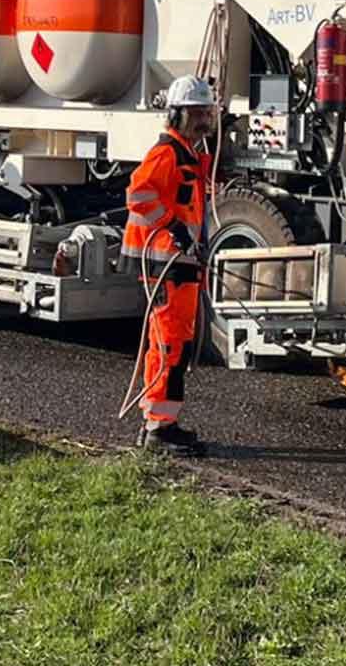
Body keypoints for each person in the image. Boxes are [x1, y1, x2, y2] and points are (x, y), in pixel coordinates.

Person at [120, 75, 218, 456]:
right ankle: (158, 429)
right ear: (176, 114)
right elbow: (138, 193)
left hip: (178, 264)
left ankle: (163, 424)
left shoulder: (187, 154)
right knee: (169, 345)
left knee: (174, 343)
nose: (203, 120)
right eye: (195, 113)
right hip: (165, 264)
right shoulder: (167, 153)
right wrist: (173, 228)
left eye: (205, 112)